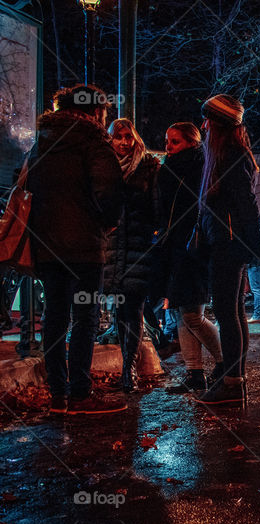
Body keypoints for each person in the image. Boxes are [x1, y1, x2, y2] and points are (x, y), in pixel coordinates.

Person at [26, 85, 126, 414]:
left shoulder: (40, 144)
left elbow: (26, 186)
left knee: (54, 315)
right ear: (94, 112)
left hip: (46, 244)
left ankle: (58, 394)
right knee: (85, 316)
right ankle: (81, 393)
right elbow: (109, 188)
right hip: (84, 244)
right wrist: (107, 221)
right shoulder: (92, 140)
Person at [196, 94, 260, 405]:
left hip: (229, 244)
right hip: (227, 242)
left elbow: (247, 205)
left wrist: (259, 246)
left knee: (228, 313)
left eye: (208, 120)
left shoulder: (231, 155)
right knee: (233, 313)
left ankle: (233, 383)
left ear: (219, 124)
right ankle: (235, 379)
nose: (204, 125)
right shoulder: (226, 154)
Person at [157, 122, 223, 394]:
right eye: (167, 141)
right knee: (183, 311)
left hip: (193, 248)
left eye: (175, 142)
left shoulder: (198, 167)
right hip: (176, 246)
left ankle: (225, 361)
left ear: (191, 142)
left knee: (193, 314)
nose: (168, 147)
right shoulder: (170, 167)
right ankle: (194, 372)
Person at [102, 118, 161, 393]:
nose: (124, 142)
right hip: (113, 249)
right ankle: (127, 364)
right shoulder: (104, 168)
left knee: (134, 309)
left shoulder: (148, 167)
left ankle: (130, 368)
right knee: (120, 309)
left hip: (138, 247)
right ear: (110, 140)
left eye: (128, 136)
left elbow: (156, 211)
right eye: (118, 137)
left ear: (136, 138)